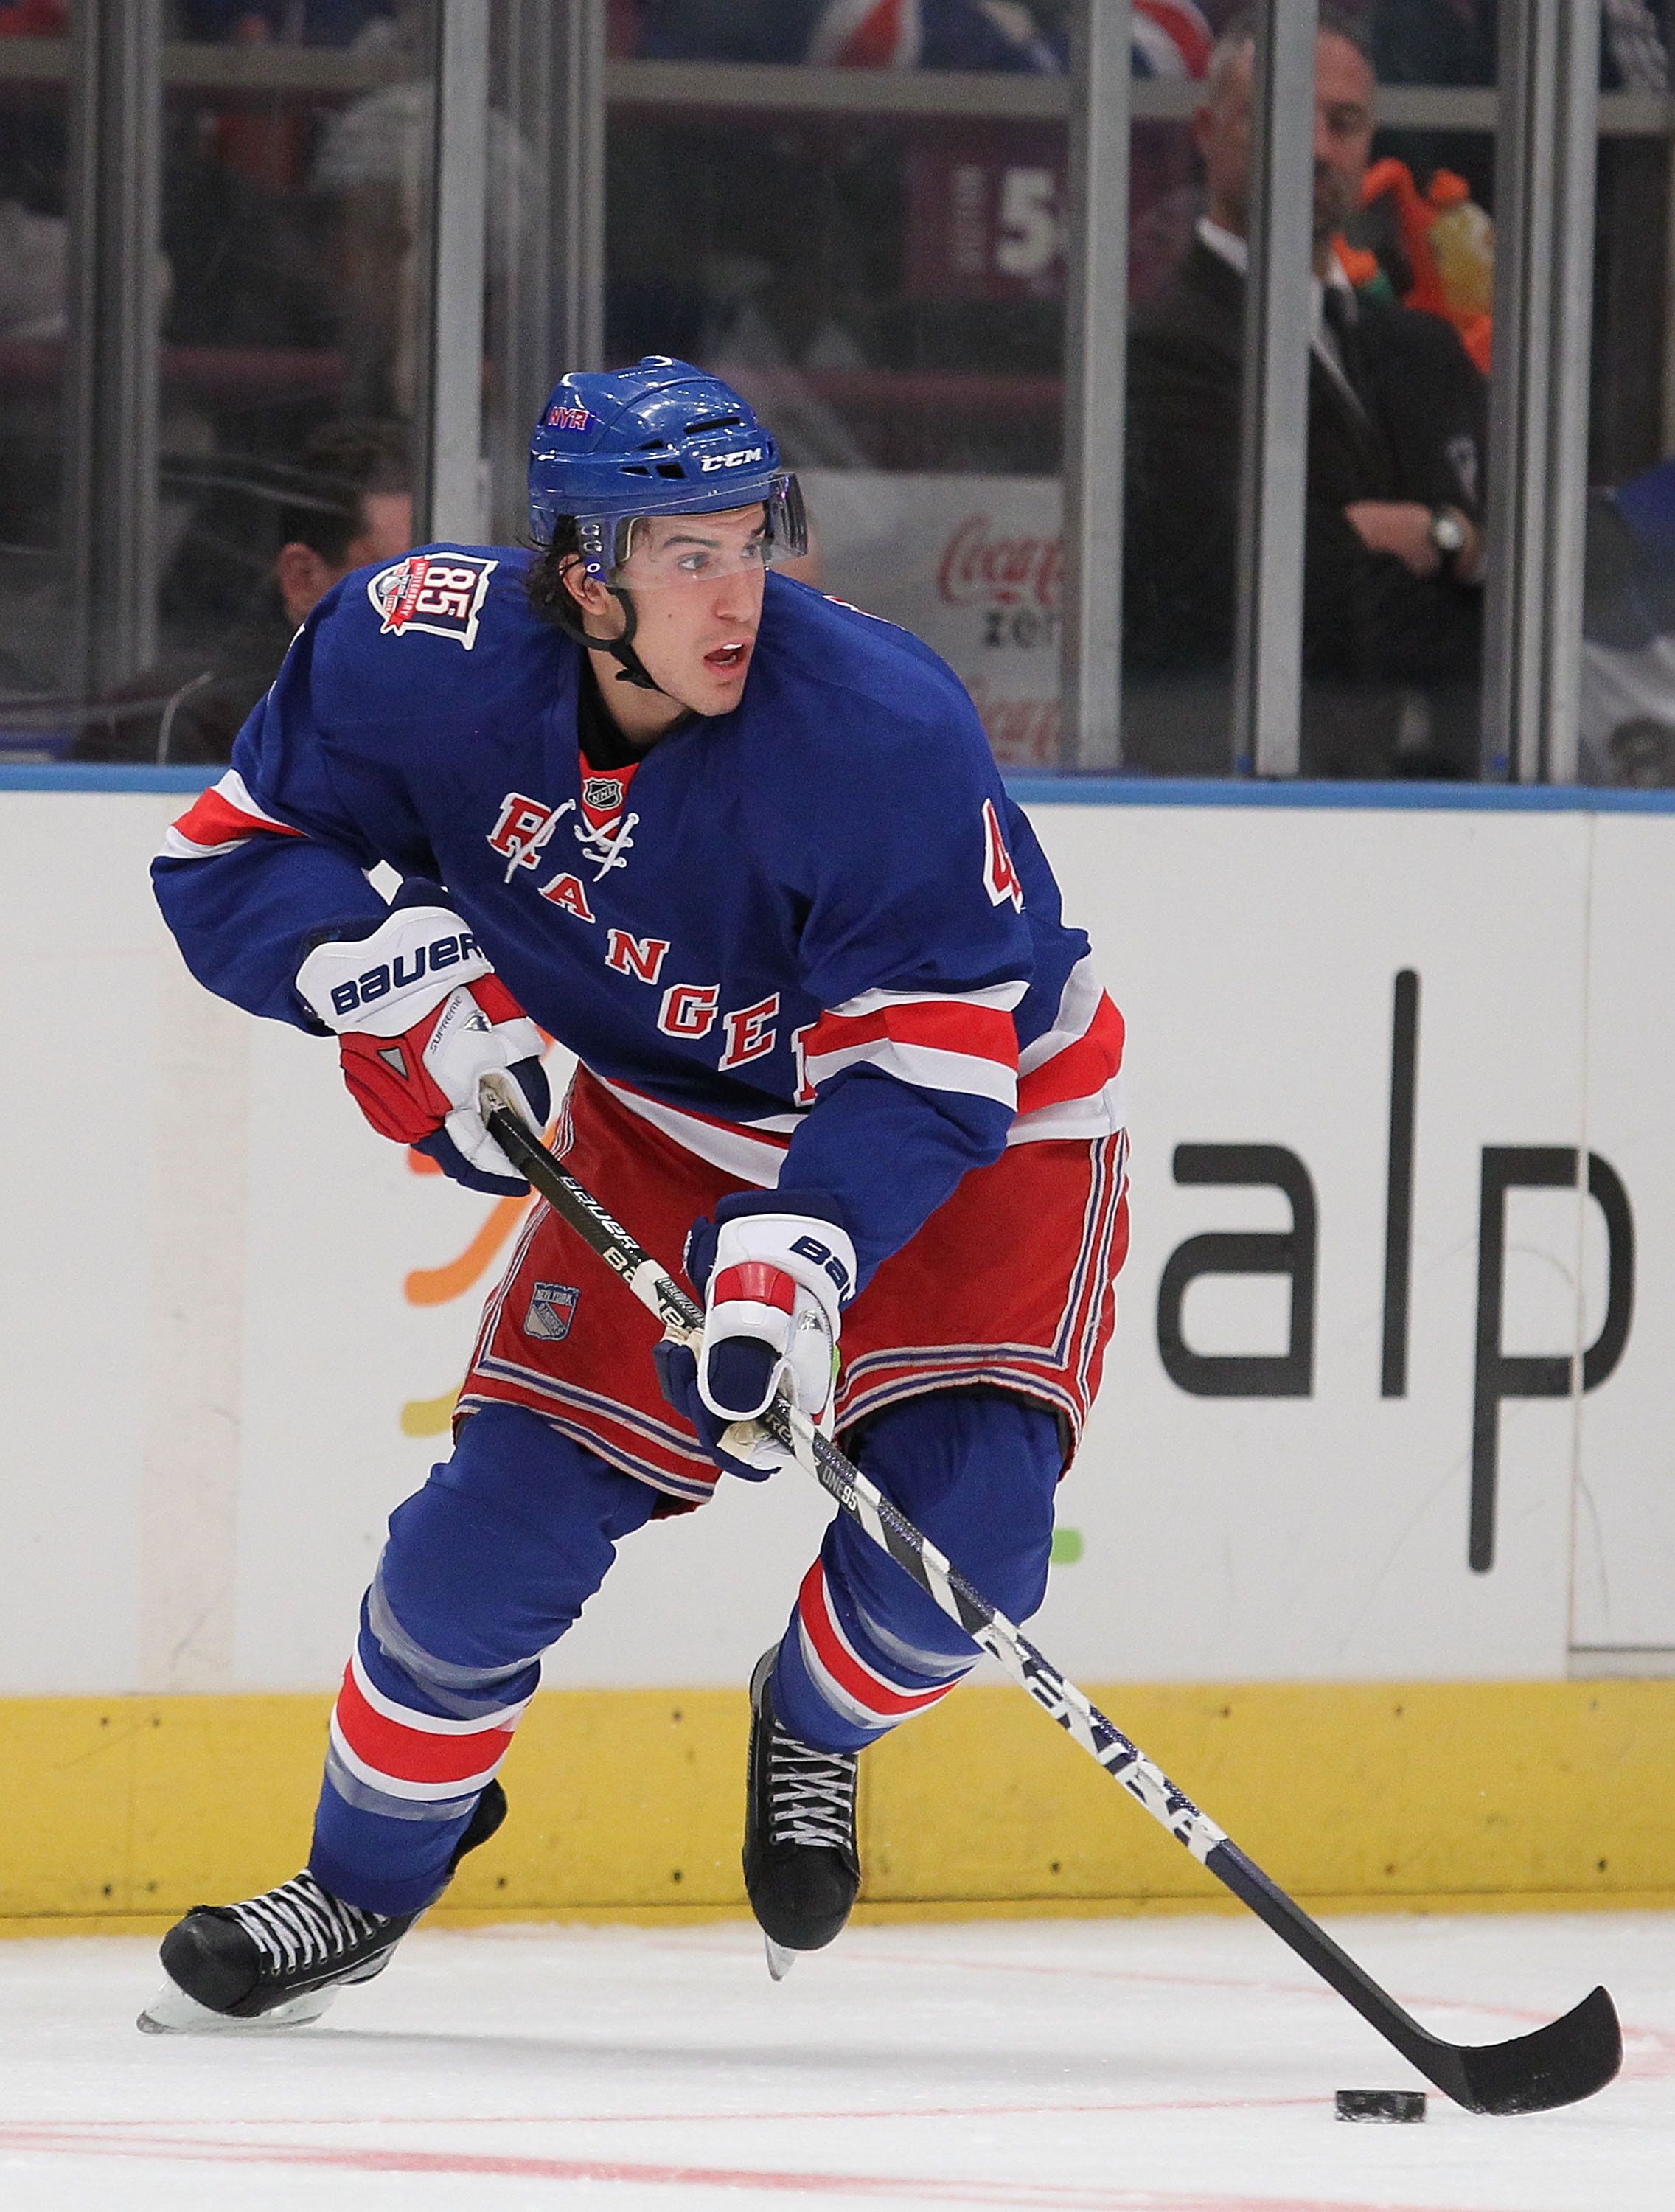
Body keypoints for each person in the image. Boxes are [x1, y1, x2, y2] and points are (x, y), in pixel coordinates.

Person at [141, 356, 1128, 2029]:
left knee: (967, 1546)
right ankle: (365, 1879)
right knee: (472, 1553)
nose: (737, 590)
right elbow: (229, 852)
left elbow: (939, 1062)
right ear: (583, 568)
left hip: (971, 1133)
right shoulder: (419, 654)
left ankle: (810, 1720)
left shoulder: (877, 726)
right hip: (674, 1132)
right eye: (686, 554)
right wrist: (374, 967)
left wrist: (799, 1253)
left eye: (754, 538)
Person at [1123, 7, 1489, 779]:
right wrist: (1446, 543)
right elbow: (1255, 592)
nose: (1317, 148)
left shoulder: (1422, 351)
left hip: (1447, 803)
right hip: (1237, 799)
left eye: (1344, 122)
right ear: (1205, 129)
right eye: (1284, 115)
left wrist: (1404, 536)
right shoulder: (1162, 351)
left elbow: (1513, 591)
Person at [77, 420, 414, 765]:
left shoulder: (454, 715)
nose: (446, 609)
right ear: (303, 578)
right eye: (407, 581)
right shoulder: (193, 721)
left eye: (464, 580)